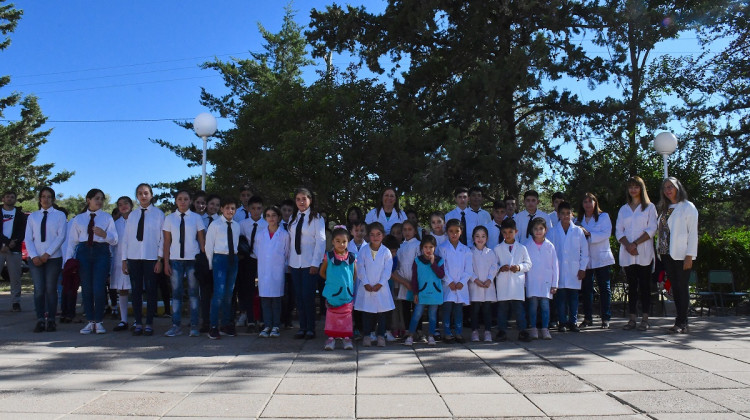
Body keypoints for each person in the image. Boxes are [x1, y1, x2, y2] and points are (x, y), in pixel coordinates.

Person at [65, 188, 118, 334]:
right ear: (88, 200)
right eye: (96, 198)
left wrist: (104, 234)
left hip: (101, 251)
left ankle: (99, 321)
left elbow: (114, 240)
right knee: (87, 288)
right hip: (83, 252)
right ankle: (90, 320)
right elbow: (72, 241)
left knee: (99, 287)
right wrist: (68, 260)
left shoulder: (107, 218)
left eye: (101, 198)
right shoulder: (79, 219)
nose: (99, 201)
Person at [121, 183, 164, 336]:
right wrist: (124, 260)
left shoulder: (159, 214)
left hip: (151, 257)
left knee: (151, 291)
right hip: (133, 257)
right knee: (136, 291)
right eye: (140, 193)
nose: (143, 196)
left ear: (151, 195)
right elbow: (126, 239)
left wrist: (160, 259)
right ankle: (138, 322)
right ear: (137, 196)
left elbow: (162, 238)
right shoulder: (132, 215)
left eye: (146, 193)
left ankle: (149, 323)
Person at [656, 177, 698, 334]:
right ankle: (681, 321)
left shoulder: (687, 207)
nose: (668, 190)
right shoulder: (664, 208)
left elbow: (693, 233)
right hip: (666, 253)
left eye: (671, 187)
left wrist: (690, 255)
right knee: (675, 288)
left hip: (681, 254)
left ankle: (682, 321)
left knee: (682, 287)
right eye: (665, 187)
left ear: (678, 187)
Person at [616, 176, 658, 331]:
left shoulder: (649, 207)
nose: (633, 189)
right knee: (632, 286)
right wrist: (628, 245)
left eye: (636, 186)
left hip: (644, 252)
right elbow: (619, 230)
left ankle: (645, 318)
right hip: (628, 253)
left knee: (645, 286)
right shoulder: (623, 209)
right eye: (631, 187)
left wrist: (635, 244)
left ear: (641, 188)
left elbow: (652, 229)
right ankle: (632, 318)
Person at [162, 190, 206, 337]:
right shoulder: (169, 219)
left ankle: (194, 325)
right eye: (180, 199)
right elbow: (167, 241)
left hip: (192, 258)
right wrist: (166, 262)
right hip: (175, 259)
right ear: (175, 201)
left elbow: (201, 240)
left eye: (186, 199)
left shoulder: (196, 218)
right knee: (176, 293)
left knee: (194, 293)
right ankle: (176, 325)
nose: (182, 202)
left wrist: (204, 258)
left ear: (190, 201)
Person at [26, 187, 66, 332]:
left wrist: (47, 254)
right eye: (43, 196)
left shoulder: (59, 215)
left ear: (53, 199)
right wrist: (34, 256)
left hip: (53, 258)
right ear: (39, 198)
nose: (46, 199)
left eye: (49, 197)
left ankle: (51, 320)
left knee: (51, 289)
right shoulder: (33, 216)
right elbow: (28, 238)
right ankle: (40, 319)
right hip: (35, 258)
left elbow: (60, 237)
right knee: (39, 290)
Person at [288, 188, 326, 340]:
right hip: (295, 263)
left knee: (308, 296)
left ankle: (310, 327)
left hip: (310, 263)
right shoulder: (293, 217)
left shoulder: (316, 218)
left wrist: (316, 263)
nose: (301, 202)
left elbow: (321, 241)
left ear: (310, 200)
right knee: (298, 296)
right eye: (298, 199)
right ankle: (302, 327)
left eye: (304, 199)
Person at [549, 201, 588, 333]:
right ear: (558, 215)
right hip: (559, 269)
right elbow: (550, 252)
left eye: (568, 213)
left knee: (573, 298)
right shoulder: (553, 231)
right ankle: (562, 322)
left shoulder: (578, 231)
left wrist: (583, 268)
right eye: (563, 214)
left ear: (572, 214)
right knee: (560, 298)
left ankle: (573, 322)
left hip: (574, 270)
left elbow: (585, 251)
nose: (565, 216)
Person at [578, 192, 616, 329]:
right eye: (585, 202)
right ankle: (588, 318)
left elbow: (606, 233)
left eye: (590, 201)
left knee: (604, 288)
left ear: (595, 203)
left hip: (602, 257)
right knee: (587, 289)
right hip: (587, 259)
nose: (588, 204)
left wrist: (588, 233)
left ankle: (606, 318)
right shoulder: (579, 219)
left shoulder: (603, 216)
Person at [205, 197, 241, 339]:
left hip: (233, 259)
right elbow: (209, 246)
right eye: (227, 208)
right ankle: (213, 326)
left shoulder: (237, 226)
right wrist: (210, 264)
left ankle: (226, 324)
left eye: (232, 208)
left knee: (229, 294)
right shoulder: (215, 225)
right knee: (218, 294)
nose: (229, 211)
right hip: (219, 258)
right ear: (221, 209)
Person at [354, 222, 395, 347]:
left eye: (378, 234)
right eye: (372, 234)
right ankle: (367, 335)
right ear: (368, 236)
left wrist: (380, 284)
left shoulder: (386, 252)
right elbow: (360, 267)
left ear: (383, 235)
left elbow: (388, 270)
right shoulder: (364, 250)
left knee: (382, 312)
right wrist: (365, 282)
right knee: (367, 312)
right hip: (366, 286)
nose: (375, 237)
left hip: (381, 287)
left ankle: (381, 336)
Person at [494, 218, 531, 342]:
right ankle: (501, 331)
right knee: (502, 309)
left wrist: (519, 267)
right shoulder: (498, 248)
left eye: (510, 232)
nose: (507, 235)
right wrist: (500, 268)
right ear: (501, 233)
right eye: (504, 232)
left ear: (516, 231)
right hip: (503, 283)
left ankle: (522, 331)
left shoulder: (522, 248)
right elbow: (493, 265)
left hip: (517, 283)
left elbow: (528, 264)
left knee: (519, 309)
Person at [256, 206, 290, 338]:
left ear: (279, 218)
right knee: (265, 300)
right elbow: (257, 251)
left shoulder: (284, 235)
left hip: (277, 271)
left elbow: (287, 252)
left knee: (276, 300)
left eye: (274, 215)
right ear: (265, 218)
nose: (271, 218)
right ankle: (267, 325)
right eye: (268, 215)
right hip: (264, 270)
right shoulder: (260, 235)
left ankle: (276, 325)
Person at [404, 235, 444, 346]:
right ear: (422, 248)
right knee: (417, 314)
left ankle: (431, 335)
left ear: (435, 248)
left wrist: (433, 263)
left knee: (432, 316)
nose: (428, 250)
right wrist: (415, 293)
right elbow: (414, 279)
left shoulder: (439, 260)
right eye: (425, 247)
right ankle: (411, 335)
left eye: (431, 247)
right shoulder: (417, 261)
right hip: (421, 293)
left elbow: (441, 275)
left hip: (434, 293)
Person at [320, 226, 356, 350]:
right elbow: (322, 272)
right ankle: (331, 338)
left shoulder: (351, 257)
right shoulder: (328, 256)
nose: (341, 244)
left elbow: (354, 274)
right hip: (333, 293)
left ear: (348, 242)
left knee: (346, 316)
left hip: (346, 293)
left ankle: (346, 338)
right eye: (338, 241)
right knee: (332, 315)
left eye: (344, 241)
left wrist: (348, 285)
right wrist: (332, 283)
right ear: (332, 242)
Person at [438, 218, 472, 343]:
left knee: (458, 309)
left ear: (461, 232)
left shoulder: (466, 250)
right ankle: (447, 333)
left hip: (460, 286)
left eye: (457, 231)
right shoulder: (442, 248)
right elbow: (442, 267)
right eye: (451, 231)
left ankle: (458, 333)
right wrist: (449, 281)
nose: (454, 234)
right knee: (447, 309)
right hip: (448, 285)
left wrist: (462, 282)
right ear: (447, 232)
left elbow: (469, 269)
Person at [524, 217, 559, 340]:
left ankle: (545, 328)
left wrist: (554, 283)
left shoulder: (550, 246)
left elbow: (555, 266)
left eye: (541, 228)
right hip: (532, 281)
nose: (538, 231)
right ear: (531, 230)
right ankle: (533, 328)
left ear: (546, 230)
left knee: (545, 306)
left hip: (546, 282)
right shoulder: (527, 246)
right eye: (535, 229)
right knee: (533, 306)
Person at [237, 195, 266, 330]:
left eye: (258, 208)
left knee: (262, 289)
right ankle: (250, 318)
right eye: (253, 208)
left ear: (262, 209)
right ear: (248, 209)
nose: (255, 211)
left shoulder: (266, 225)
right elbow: (240, 241)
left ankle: (261, 318)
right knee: (247, 289)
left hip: (262, 260)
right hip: (248, 260)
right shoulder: (242, 224)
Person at [469, 225, 497, 342]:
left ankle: (487, 331)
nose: (480, 239)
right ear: (473, 238)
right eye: (477, 236)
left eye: (483, 236)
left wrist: (490, 279)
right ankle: (474, 331)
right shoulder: (470, 252)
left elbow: (494, 267)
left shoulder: (490, 252)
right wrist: (475, 280)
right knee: (474, 310)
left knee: (487, 310)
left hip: (487, 285)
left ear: (487, 238)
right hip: (475, 285)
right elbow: (468, 268)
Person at [393, 220, 420, 338]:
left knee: (416, 307)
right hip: (403, 282)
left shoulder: (418, 244)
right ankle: (409, 330)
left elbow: (419, 264)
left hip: (415, 281)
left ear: (415, 231)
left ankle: (418, 331)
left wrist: (414, 282)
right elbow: (398, 265)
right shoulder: (401, 246)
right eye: (404, 230)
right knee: (405, 307)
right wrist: (401, 282)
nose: (407, 232)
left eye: (410, 229)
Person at [197, 194, 221, 332]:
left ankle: (215, 321)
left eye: (217, 205)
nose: (214, 207)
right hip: (203, 259)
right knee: (204, 293)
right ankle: (205, 322)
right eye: (212, 204)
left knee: (216, 292)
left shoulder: (222, 221)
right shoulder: (199, 219)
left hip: (217, 258)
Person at [1, 191, 27, 312]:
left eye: (12, 197)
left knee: (15, 277)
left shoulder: (20, 215)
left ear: (15, 199)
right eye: (7, 197)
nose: (10, 199)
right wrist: (6, 242)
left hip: (14, 249)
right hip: (1, 248)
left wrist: (12, 243)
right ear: (3, 199)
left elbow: (22, 231)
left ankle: (16, 302)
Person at [110, 196, 133, 331]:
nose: (123, 206)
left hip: (135, 259)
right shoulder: (115, 224)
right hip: (119, 260)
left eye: (126, 203)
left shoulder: (137, 220)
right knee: (122, 289)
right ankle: (123, 320)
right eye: (120, 204)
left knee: (136, 289)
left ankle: (137, 320)